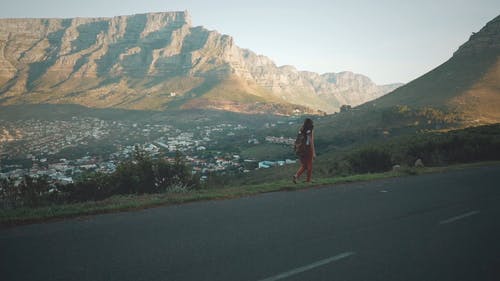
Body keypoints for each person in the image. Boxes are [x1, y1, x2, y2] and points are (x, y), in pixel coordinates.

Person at [293, 118, 316, 183]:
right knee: (309, 165)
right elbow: (311, 141)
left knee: (304, 165)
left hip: (301, 149)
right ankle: (308, 180)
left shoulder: (301, 129)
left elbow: (298, 139)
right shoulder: (310, 129)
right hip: (308, 149)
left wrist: (296, 147)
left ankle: (296, 176)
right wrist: (313, 152)